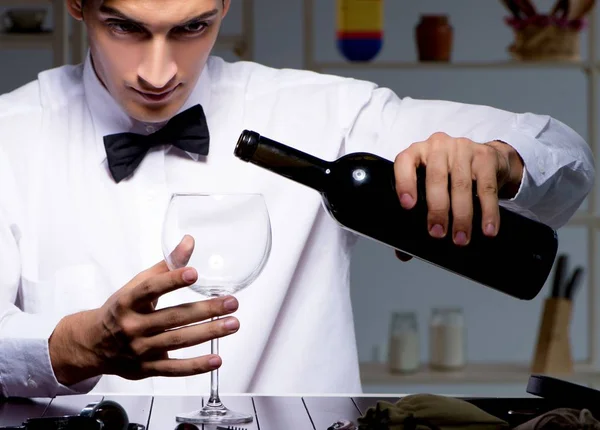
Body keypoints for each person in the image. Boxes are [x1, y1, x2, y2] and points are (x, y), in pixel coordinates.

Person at [0, 0, 594, 398]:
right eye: (126, 27)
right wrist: (67, 347)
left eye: (192, 27)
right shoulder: (10, 134)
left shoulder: (325, 114)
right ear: (76, 5)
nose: (159, 72)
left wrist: (498, 159)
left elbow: (564, 155)